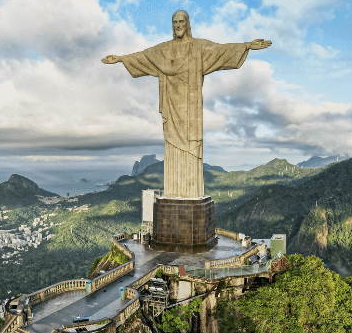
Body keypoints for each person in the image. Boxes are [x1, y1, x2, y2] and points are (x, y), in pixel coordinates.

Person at [103, 11, 271, 198]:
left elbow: (221, 50)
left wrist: (246, 45)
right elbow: (145, 56)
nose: (178, 25)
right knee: (172, 146)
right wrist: (120, 59)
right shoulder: (164, 50)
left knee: (191, 148)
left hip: (191, 112)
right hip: (172, 107)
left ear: (188, 23)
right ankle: (174, 193)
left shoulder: (199, 47)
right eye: (174, 22)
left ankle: (190, 192)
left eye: (181, 21)